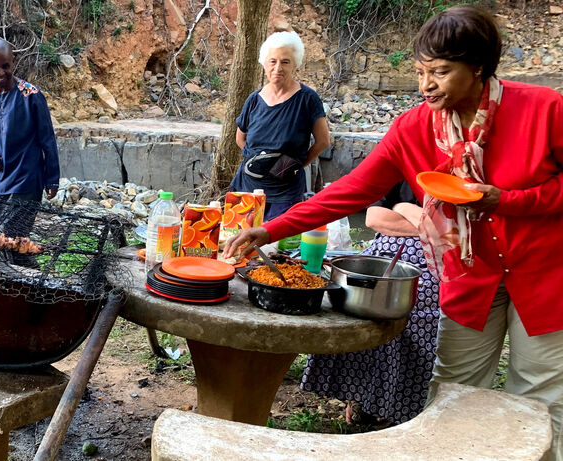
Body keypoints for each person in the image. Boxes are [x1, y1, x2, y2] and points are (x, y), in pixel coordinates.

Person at [224, 6, 563, 459]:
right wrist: (270, 229)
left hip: (545, 273)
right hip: (468, 272)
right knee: (455, 390)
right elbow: (352, 190)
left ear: (478, 67)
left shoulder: (544, 109)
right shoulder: (413, 127)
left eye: (440, 72)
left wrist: (508, 201)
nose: (426, 85)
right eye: (422, 72)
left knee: (540, 395)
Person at [301, 182, 440, 426]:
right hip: (381, 257)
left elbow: (447, 231)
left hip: (434, 266)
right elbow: (375, 218)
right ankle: (360, 397)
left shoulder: (466, 172)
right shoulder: (403, 168)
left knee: (416, 316)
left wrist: (402, 208)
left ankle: (400, 408)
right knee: (355, 305)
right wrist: (420, 219)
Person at [230, 31, 330, 221]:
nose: (278, 68)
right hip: (247, 186)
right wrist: (259, 161)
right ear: (264, 63)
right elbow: (240, 138)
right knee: (238, 242)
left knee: (278, 247)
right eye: (272, 61)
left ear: (295, 64)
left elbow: (323, 141)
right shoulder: (254, 99)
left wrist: (293, 165)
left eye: (285, 62)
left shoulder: (308, 99)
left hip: (285, 191)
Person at [0, 39, 60, 239]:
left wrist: (52, 179)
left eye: (5, 66)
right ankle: (24, 269)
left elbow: (48, 140)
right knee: (5, 239)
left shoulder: (31, 95)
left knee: (11, 236)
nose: (0, 73)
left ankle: (21, 268)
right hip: (1, 179)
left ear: (14, 62)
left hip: (28, 179)